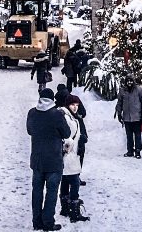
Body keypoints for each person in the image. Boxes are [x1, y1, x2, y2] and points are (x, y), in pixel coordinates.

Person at [27, 88, 71, 232]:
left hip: (37, 160)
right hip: (53, 160)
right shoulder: (57, 115)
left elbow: (29, 130)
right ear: (52, 99)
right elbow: (66, 132)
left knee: (37, 191)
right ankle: (48, 222)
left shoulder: (32, 113)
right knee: (52, 192)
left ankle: (36, 222)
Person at [57, 94, 90, 223]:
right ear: (67, 105)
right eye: (72, 105)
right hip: (69, 155)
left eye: (77, 105)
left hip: (70, 155)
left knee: (65, 181)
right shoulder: (66, 117)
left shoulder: (69, 116)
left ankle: (65, 209)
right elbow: (66, 135)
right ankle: (74, 213)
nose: (75, 107)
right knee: (75, 182)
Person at [115, 75, 142, 159]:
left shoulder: (139, 90)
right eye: (127, 81)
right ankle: (130, 151)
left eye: (131, 81)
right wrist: (119, 113)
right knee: (129, 136)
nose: (129, 83)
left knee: (137, 135)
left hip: (137, 117)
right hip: (127, 118)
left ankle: (137, 151)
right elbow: (119, 103)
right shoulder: (122, 91)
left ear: (133, 81)